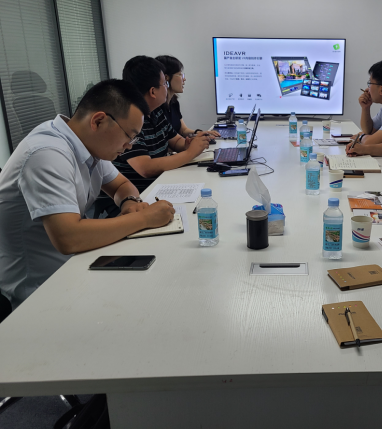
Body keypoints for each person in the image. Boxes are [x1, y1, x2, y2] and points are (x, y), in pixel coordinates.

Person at [0, 79, 176, 309]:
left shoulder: (87, 144)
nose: (130, 146)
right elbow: (68, 237)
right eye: (129, 136)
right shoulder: (46, 154)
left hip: (77, 266)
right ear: (98, 121)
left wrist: (130, 202)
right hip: (38, 293)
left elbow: (122, 185)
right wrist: (144, 218)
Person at [113, 56, 211, 194]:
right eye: (165, 83)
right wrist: (190, 153)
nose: (167, 87)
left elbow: (175, 140)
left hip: (161, 184)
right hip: (140, 194)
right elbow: (145, 168)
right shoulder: (130, 120)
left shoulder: (156, 111)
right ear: (153, 91)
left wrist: (188, 144)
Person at [155, 55, 219, 139]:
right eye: (180, 74)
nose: (184, 79)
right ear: (166, 78)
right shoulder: (156, 107)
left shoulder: (174, 102)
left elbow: (183, 130)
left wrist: (200, 133)